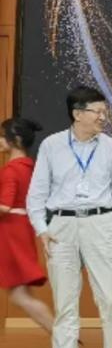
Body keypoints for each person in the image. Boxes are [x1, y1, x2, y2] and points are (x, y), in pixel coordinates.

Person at [27, 85, 112, 348]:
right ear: (77, 114)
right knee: (64, 300)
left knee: (110, 297)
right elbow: (37, 193)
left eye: (104, 111)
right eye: (97, 111)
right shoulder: (52, 146)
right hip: (61, 226)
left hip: (102, 223)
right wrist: (42, 229)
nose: (103, 117)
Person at [0, 117, 54, 334]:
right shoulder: (28, 168)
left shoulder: (11, 170)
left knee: (19, 295)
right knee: (20, 295)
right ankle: (62, 337)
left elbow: (5, 206)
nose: (0, 140)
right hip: (19, 230)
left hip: (11, 233)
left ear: (17, 140)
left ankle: (63, 337)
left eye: (3, 136)